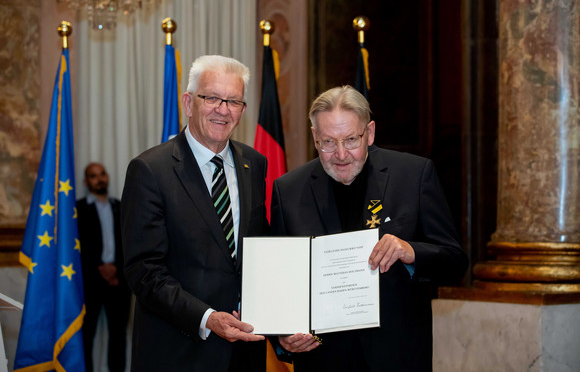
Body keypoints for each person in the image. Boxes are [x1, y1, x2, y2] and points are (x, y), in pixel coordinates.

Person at [270, 85, 469, 371]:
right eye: (328, 141)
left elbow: (454, 261)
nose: (340, 154)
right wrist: (281, 335)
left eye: (351, 139)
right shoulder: (288, 190)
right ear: (314, 136)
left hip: (397, 356)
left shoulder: (413, 175)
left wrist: (410, 251)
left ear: (370, 132)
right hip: (322, 359)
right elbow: (278, 279)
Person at [121, 55, 268, 372]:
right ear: (188, 103)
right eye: (212, 97)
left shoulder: (254, 164)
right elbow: (144, 271)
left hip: (244, 353)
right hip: (178, 352)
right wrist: (207, 318)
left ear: (242, 110)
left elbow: (260, 250)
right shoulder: (150, 170)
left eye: (233, 101)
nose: (223, 109)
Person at [77, 162, 131, 372]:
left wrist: (116, 269)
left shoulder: (120, 206)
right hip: (90, 282)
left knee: (118, 335)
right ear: (86, 181)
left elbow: (128, 242)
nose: (99, 179)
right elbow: (79, 247)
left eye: (102, 174)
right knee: (86, 335)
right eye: (93, 176)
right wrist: (102, 269)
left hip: (119, 281)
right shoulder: (78, 209)